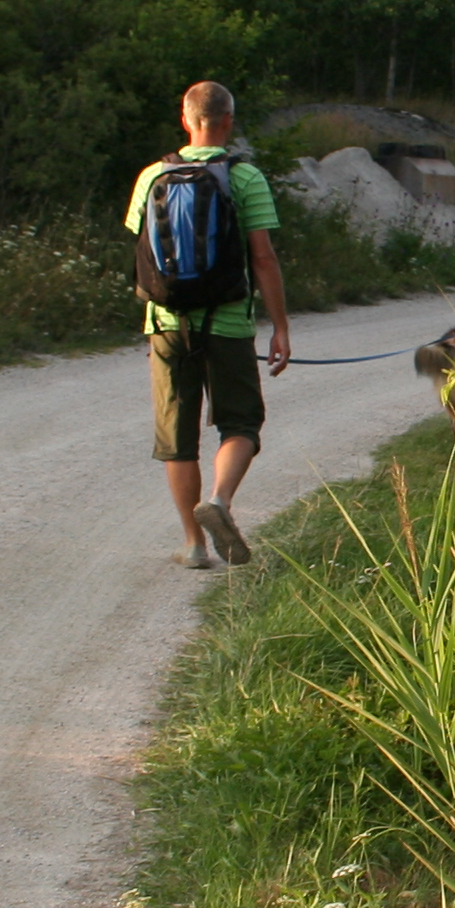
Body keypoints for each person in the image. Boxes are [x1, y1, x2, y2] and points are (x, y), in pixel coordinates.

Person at [127, 81, 290, 567]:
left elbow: (141, 250)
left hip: (166, 324)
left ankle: (194, 545)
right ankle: (218, 501)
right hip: (227, 323)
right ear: (228, 122)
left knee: (177, 438)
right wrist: (280, 325)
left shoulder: (152, 176)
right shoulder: (244, 178)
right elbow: (262, 258)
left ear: (185, 120)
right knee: (241, 423)